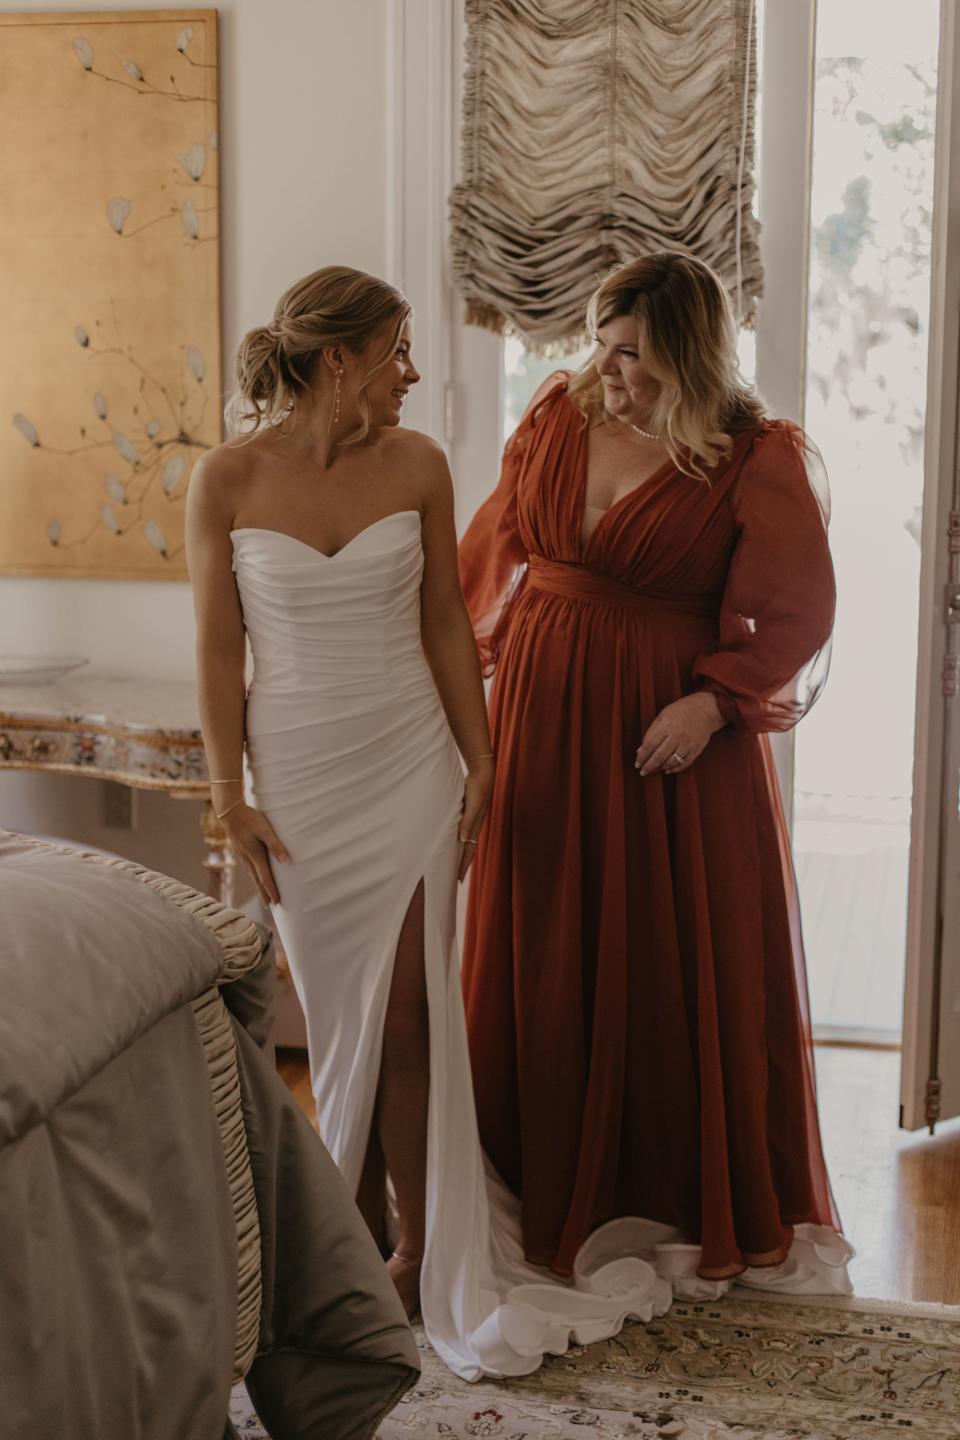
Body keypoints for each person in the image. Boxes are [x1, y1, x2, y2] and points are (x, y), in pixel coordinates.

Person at [187, 265, 670, 1384]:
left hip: (406, 758)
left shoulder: (417, 464)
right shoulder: (225, 480)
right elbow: (219, 650)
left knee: (406, 1015)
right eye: (398, 351)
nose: (413, 371)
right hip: (300, 776)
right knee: (339, 1021)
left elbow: (448, 620)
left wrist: (481, 754)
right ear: (338, 359)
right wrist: (227, 795)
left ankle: (405, 1255)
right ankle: (336, 1245)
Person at [459, 250, 854, 1298]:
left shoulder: (750, 454)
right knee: (546, 939)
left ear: (687, 355)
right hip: (543, 720)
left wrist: (716, 702)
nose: (607, 367)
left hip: (670, 745)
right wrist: (448, 706)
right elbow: (483, 567)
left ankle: (672, 1198)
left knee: (671, 957)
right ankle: (532, 1186)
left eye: (632, 352)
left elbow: (805, 609)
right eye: (599, 341)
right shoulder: (555, 414)